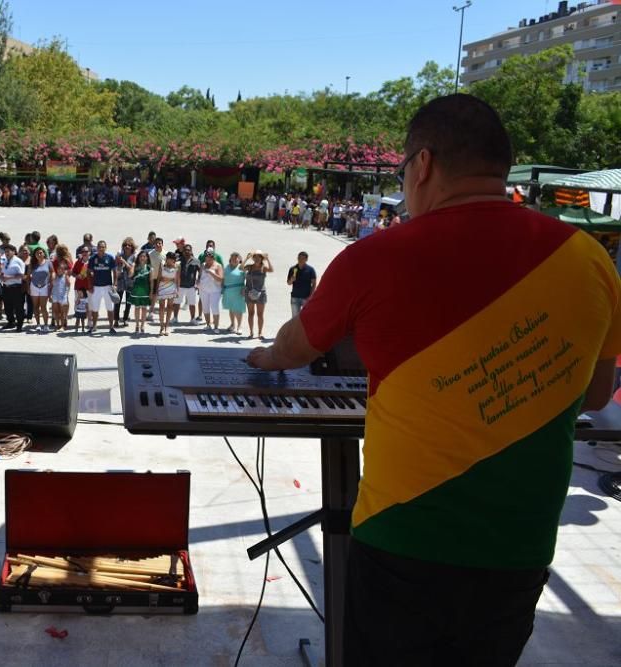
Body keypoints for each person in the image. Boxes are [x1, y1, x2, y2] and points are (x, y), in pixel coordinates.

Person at [246, 94, 621, 666]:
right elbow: (596, 393)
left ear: (422, 166)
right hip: (520, 547)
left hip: (403, 540)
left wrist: (261, 359)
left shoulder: (374, 257)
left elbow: (296, 347)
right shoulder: (589, 259)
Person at [88, 240, 118, 334]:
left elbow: (115, 271)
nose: (101, 249)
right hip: (96, 286)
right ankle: (94, 326)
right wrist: (90, 285)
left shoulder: (110, 258)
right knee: (95, 308)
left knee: (110, 307)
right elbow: (88, 272)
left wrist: (115, 284)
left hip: (107, 286)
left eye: (103, 247)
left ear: (105, 248)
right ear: (97, 248)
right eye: (100, 247)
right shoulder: (93, 258)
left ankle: (111, 327)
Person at [243, 249, 273, 339]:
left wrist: (267, 259)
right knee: (251, 313)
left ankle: (260, 333)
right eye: (255, 257)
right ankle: (251, 332)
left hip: (261, 293)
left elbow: (271, 269)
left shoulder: (263, 268)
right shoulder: (249, 267)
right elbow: (241, 268)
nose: (256, 259)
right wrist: (246, 258)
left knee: (260, 314)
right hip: (249, 292)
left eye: (259, 257)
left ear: (261, 258)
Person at [0, 245, 26, 331]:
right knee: (8, 306)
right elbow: (3, 272)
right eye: (6, 252)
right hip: (6, 287)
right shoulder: (5, 261)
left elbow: (21, 275)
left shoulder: (18, 261)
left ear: (14, 251)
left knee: (18, 307)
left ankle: (19, 324)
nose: (7, 253)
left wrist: (9, 277)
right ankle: (11, 322)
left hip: (16, 287)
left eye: (8, 251)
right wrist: (1, 277)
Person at [198, 250, 224, 332]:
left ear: (213, 258)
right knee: (205, 308)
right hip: (203, 289)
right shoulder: (203, 265)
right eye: (206, 258)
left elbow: (220, 279)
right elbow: (200, 276)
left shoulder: (218, 266)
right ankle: (208, 324)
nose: (207, 260)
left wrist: (211, 272)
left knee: (215, 308)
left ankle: (216, 327)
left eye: (209, 258)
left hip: (215, 290)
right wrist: (198, 281)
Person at [175, 244, 201, 325]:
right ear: (182, 251)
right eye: (185, 250)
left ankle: (192, 319)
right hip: (180, 286)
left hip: (191, 286)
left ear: (191, 251)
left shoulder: (196, 261)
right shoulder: (178, 260)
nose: (187, 251)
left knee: (192, 303)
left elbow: (200, 272)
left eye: (189, 250)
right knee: (177, 302)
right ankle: (175, 318)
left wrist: (198, 282)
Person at [222, 251, 246, 335]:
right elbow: (223, 278)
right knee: (231, 308)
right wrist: (222, 289)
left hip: (239, 291)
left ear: (239, 259)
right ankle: (232, 325)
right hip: (228, 291)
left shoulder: (242, 267)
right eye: (233, 258)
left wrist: (244, 288)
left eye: (236, 258)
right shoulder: (227, 267)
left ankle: (239, 327)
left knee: (238, 309)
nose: (234, 259)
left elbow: (247, 279)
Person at [114, 238, 137, 327]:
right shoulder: (119, 255)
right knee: (117, 301)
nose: (127, 247)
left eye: (129, 245)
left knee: (128, 302)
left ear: (132, 247)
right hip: (120, 281)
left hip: (130, 281)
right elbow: (115, 269)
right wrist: (115, 282)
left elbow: (132, 269)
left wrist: (124, 261)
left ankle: (125, 318)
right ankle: (116, 319)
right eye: (125, 245)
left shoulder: (134, 256)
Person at [287, 251, 317, 318]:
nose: (300, 260)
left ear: (306, 259)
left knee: (305, 318)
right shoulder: (293, 269)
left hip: (306, 298)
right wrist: (292, 280)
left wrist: (311, 295)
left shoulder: (310, 270)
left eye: (302, 258)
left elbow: (314, 283)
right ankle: (295, 329)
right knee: (294, 318)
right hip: (295, 297)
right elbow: (288, 283)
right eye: (299, 258)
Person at [129, 250, 153, 334]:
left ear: (147, 258)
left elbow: (151, 281)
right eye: (141, 256)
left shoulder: (149, 268)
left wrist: (151, 292)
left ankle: (143, 325)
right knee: (137, 308)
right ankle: (137, 325)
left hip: (145, 290)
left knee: (144, 308)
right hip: (136, 290)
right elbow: (130, 275)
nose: (142, 258)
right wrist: (133, 265)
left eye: (144, 256)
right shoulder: (135, 266)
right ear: (138, 258)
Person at [156, 252, 179, 336]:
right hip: (162, 287)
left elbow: (177, 279)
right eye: (168, 258)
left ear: (173, 259)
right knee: (161, 307)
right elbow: (158, 277)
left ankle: (167, 326)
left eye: (171, 258)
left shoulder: (177, 266)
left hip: (172, 288)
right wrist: (156, 289)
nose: (168, 259)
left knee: (170, 307)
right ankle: (161, 326)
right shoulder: (162, 264)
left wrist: (177, 290)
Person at [29, 247, 52, 332]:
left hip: (44, 286)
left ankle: (46, 325)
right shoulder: (32, 264)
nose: (39, 254)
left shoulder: (48, 263)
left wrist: (51, 284)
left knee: (43, 307)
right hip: (34, 286)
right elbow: (28, 276)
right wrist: (28, 287)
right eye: (37, 253)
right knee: (35, 306)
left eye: (40, 253)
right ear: (34, 255)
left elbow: (52, 273)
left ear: (44, 254)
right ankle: (38, 324)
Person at [71, 247, 93, 331]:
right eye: (83, 251)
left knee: (89, 306)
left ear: (89, 253)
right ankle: (78, 325)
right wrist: (77, 276)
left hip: (89, 287)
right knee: (78, 305)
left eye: (86, 251)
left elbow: (95, 273)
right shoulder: (78, 262)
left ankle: (89, 324)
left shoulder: (91, 262)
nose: (84, 253)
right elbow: (72, 273)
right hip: (79, 287)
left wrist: (91, 273)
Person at [50, 256, 71, 332]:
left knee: (62, 312)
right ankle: (57, 325)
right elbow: (51, 286)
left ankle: (62, 325)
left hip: (62, 296)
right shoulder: (54, 276)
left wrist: (66, 294)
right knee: (56, 311)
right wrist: (50, 295)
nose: (60, 270)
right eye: (59, 269)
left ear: (63, 270)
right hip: (55, 295)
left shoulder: (65, 276)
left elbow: (69, 285)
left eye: (62, 269)